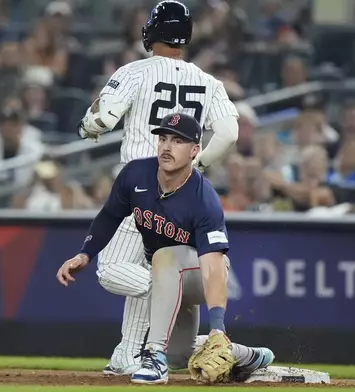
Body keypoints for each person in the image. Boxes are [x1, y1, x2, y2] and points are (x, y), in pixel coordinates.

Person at [76, 0, 240, 375]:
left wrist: (87, 125)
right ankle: (130, 351)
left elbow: (103, 118)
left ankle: (170, 290)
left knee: (112, 268)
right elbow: (229, 132)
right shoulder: (208, 80)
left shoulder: (135, 71)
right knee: (145, 265)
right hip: (182, 191)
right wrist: (197, 163)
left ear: (152, 31)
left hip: (141, 188)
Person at [56, 113, 272, 385]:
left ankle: (154, 355)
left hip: (201, 275)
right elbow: (109, 215)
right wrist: (84, 254)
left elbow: (214, 264)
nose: (167, 146)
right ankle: (243, 354)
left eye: (178, 141)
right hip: (167, 275)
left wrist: (217, 325)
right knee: (179, 357)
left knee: (165, 255)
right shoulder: (136, 174)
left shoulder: (203, 197)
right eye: (163, 138)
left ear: (195, 151)